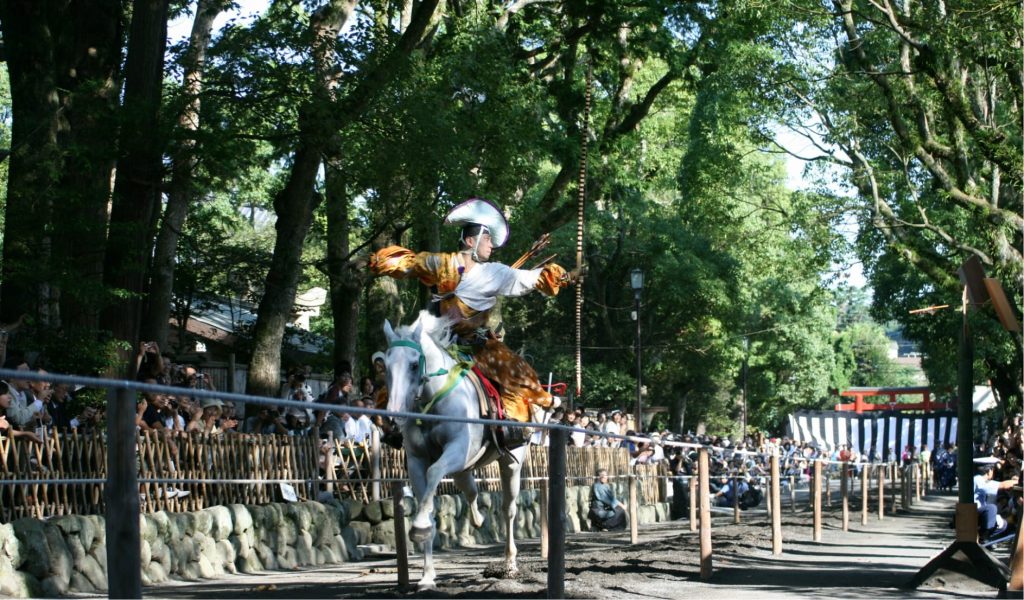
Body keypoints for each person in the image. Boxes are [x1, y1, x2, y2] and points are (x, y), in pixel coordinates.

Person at [369, 198, 581, 444]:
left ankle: (510, 428)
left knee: (515, 371)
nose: (491, 245)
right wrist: (374, 262)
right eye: (487, 239)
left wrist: (563, 276)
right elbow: (410, 263)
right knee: (401, 362)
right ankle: (390, 423)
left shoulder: (495, 272)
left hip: (476, 343)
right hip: (435, 338)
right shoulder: (444, 263)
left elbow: (529, 279)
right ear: (471, 241)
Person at [973, 460, 1015, 540]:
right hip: (973, 510)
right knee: (991, 508)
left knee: (1003, 523)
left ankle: (983, 538)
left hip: (977, 510)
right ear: (989, 471)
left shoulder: (977, 479)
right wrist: (1019, 481)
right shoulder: (978, 479)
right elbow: (1003, 485)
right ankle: (985, 535)